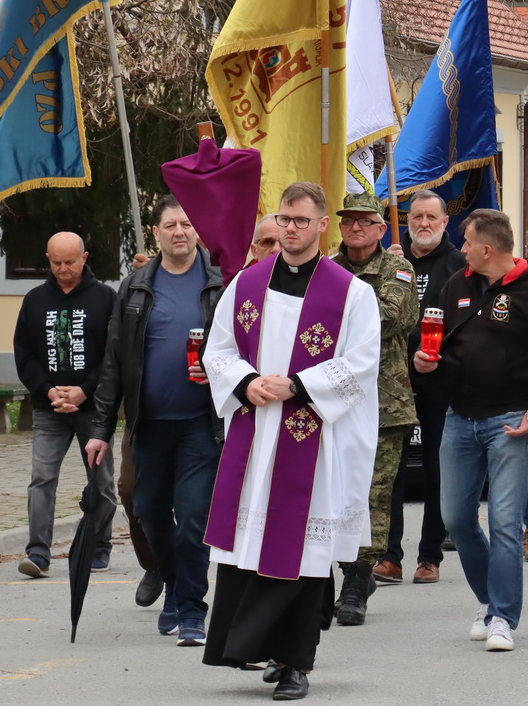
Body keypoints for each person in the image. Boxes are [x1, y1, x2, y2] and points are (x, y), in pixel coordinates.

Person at [194, 182, 381, 700]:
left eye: (301, 220)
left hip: (314, 440)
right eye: (283, 220)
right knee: (254, 545)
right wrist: (246, 382)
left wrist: (299, 385)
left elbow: (362, 365)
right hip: (256, 435)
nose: (290, 229)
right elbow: (219, 349)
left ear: (323, 225)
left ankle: (296, 662)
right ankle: (262, 649)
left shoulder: (352, 293)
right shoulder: (246, 285)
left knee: (303, 549)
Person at [412, 209, 528, 653]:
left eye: (467, 242)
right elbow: (433, 338)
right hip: (459, 416)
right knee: (456, 519)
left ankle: (502, 615)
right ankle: (487, 598)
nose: (461, 249)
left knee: (504, 522)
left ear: (487, 248)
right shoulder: (456, 285)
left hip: (511, 420)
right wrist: (424, 362)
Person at [86, 196, 225, 644]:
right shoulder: (136, 287)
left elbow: (243, 352)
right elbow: (114, 361)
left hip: (200, 424)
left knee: (192, 520)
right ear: (157, 233)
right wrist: (101, 430)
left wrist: (219, 372)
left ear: (197, 231)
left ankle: (191, 610)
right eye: (171, 225)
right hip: (148, 424)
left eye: (187, 223)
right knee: (146, 512)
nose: (180, 231)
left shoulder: (220, 285)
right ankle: (172, 582)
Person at [330, 193, 420, 626]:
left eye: (366, 222)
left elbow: (391, 319)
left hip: (384, 401)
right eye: (349, 221)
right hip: (329, 397)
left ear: (381, 229)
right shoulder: (324, 267)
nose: (357, 229)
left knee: (374, 492)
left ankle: (357, 578)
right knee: (332, 491)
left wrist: (329, 318)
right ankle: (345, 568)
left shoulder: (396, 269)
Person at [13, 232, 118, 579]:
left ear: (84, 257)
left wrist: (85, 391)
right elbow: (24, 355)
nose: (63, 269)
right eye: (56, 262)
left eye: (70, 262)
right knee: (41, 478)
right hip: (49, 409)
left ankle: (99, 545)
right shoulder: (34, 299)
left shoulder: (105, 298)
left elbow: (112, 356)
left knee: (100, 481)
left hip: (94, 410)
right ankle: (38, 553)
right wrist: (49, 391)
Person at [376, 188, 463, 585]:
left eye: (432, 218)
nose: (423, 224)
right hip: (392, 382)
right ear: (407, 222)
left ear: (445, 223)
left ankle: (430, 554)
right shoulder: (392, 262)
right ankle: (388, 554)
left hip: (439, 383)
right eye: (416, 218)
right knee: (390, 470)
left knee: (435, 468)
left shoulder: (461, 268)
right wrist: (385, 271)